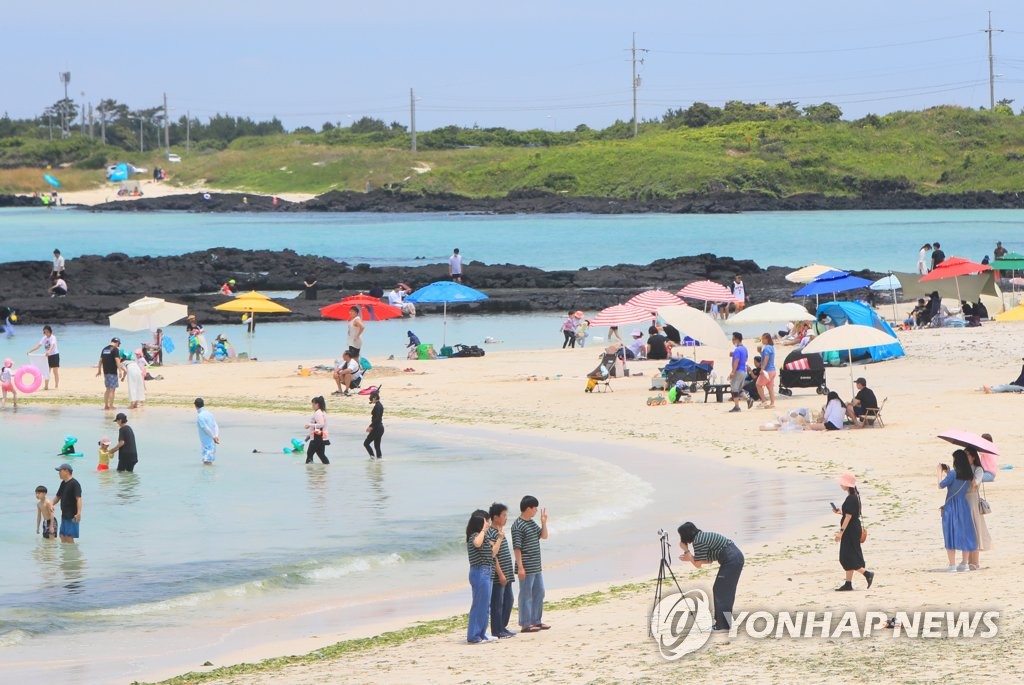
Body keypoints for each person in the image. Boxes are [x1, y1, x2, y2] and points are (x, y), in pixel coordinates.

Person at [677, 522, 744, 631]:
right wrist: (690, 557)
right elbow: (708, 561)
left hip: (731, 559)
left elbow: (698, 565)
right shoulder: (701, 537)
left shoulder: (698, 541)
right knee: (722, 590)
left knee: (721, 590)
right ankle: (723, 624)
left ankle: (722, 625)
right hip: (734, 557)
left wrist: (686, 551)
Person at [512, 495, 549, 633]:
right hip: (526, 567)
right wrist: (520, 567)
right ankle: (525, 624)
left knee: (540, 592)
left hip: (536, 566)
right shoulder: (518, 525)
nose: (536, 510)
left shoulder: (531, 523)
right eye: (535, 508)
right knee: (526, 595)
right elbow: (517, 548)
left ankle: (536, 621)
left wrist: (543, 522)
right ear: (528, 508)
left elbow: (544, 536)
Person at [832, 473, 875, 590]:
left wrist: (840, 532)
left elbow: (849, 517)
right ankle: (848, 584)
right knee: (850, 554)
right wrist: (840, 512)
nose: (841, 485)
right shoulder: (855, 496)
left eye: (842, 483)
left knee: (846, 557)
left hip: (850, 530)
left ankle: (867, 574)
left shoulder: (851, 498)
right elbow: (850, 514)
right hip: (853, 528)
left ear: (847, 484)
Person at [939, 450, 977, 572]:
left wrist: (939, 472)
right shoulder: (969, 474)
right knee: (965, 533)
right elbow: (961, 480)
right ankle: (964, 563)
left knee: (950, 533)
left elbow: (940, 485)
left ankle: (952, 565)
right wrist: (949, 472)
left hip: (951, 506)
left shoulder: (953, 474)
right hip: (963, 505)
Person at [465, 509, 498, 643]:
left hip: (487, 571)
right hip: (479, 572)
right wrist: (484, 530)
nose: (489, 524)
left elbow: (493, 553)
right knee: (479, 605)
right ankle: (474, 636)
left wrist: (499, 538)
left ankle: (482, 633)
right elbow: (476, 543)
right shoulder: (474, 536)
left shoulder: (483, 536)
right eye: (486, 521)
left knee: (485, 605)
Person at [487, 502, 516, 639]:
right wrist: (500, 573)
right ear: (496, 517)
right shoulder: (491, 533)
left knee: (508, 600)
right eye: (504, 515)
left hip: (507, 573)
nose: (506, 518)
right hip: (499, 575)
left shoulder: (500, 532)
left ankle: (502, 627)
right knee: (497, 603)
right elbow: (494, 556)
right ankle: (497, 630)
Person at [964, 448, 991, 571]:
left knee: (975, 530)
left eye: (967, 455)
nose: (965, 457)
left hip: (973, 501)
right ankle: (968, 561)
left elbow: (974, 483)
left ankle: (974, 562)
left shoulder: (978, 469)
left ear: (973, 456)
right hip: (963, 501)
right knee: (966, 531)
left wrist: (966, 473)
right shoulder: (961, 469)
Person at [52, 463, 82, 544]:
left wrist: (79, 513)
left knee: (69, 537)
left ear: (66, 471)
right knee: (62, 536)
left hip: (72, 515)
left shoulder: (74, 483)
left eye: (60, 471)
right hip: (64, 515)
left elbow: (78, 498)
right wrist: (50, 505)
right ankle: (66, 556)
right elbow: (58, 497)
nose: (59, 473)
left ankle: (73, 556)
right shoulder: (63, 483)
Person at [26, 325, 60, 390]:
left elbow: (52, 345)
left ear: (50, 331)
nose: (46, 333)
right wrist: (30, 351)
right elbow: (38, 345)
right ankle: (46, 386)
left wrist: (49, 351)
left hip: (55, 355)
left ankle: (56, 386)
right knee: (47, 371)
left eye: (47, 332)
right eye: (44, 332)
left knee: (55, 372)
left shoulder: (53, 337)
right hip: (47, 356)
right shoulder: (44, 338)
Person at [97, 337, 122, 410]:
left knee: (107, 389)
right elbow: (117, 360)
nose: (118, 346)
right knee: (112, 389)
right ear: (116, 342)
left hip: (106, 372)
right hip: (112, 372)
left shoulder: (104, 349)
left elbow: (100, 361)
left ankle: (106, 406)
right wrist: (120, 370)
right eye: (119, 344)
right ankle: (111, 406)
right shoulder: (115, 349)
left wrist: (99, 370)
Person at [304, 396, 330, 464]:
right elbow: (318, 425)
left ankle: (310, 473)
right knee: (321, 455)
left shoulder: (318, 413)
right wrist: (309, 436)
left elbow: (321, 424)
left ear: (317, 404)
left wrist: (309, 425)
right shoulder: (322, 412)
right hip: (321, 437)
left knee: (309, 454)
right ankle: (324, 471)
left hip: (318, 437)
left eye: (313, 404)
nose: (312, 406)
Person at [195, 398, 220, 465]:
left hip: (207, 443)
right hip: (212, 443)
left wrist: (214, 437)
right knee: (209, 463)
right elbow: (215, 425)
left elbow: (205, 428)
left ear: (195, 406)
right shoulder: (210, 414)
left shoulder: (200, 416)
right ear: (203, 404)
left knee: (206, 463)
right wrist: (216, 435)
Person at [728, 332, 748, 413]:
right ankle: (748, 399)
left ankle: (737, 406)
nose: (732, 341)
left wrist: (733, 372)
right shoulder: (744, 349)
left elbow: (736, 361)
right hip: (743, 370)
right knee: (739, 388)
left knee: (734, 389)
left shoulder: (737, 349)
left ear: (737, 339)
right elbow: (745, 359)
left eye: (733, 339)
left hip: (738, 371)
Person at [756, 333, 777, 408]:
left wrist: (762, 369)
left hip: (767, 371)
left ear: (767, 339)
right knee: (770, 387)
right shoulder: (771, 347)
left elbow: (766, 359)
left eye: (763, 339)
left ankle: (764, 400)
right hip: (772, 370)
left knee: (758, 384)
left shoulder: (767, 348)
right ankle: (772, 403)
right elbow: (766, 357)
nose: (762, 340)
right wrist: (760, 352)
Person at [363, 388, 384, 459]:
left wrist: (371, 426)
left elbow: (377, 419)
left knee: (366, 443)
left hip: (377, 428)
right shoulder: (379, 405)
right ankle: (379, 460)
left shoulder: (378, 406)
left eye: (371, 399)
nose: (370, 400)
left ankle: (372, 459)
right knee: (377, 446)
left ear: (375, 398)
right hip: (379, 428)